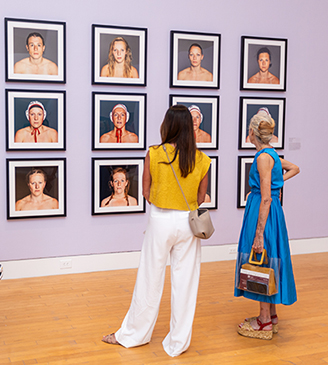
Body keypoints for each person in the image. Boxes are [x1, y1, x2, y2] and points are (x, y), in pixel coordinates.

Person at [102, 105, 211, 357]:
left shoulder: (154, 153)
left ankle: (133, 335)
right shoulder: (202, 158)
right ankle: (178, 343)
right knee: (185, 283)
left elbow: (146, 192)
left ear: (167, 125)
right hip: (188, 223)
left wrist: (165, 202)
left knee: (149, 278)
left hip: (160, 219)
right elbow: (201, 197)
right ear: (188, 127)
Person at [234, 111, 299, 340]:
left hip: (264, 212)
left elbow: (265, 198)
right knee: (272, 258)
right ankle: (271, 316)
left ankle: (263, 322)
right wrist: (277, 183)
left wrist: (259, 233)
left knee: (261, 257)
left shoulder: (262, 158)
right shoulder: (272, 154)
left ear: (251, 132)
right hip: (273, 213)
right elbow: (294, 169)